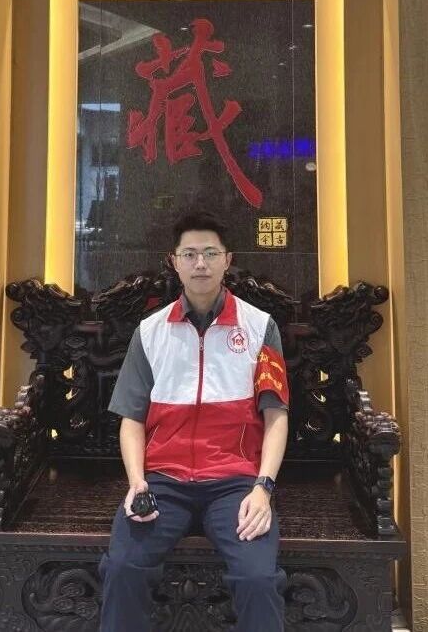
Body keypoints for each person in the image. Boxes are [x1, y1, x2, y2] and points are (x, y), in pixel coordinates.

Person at [99, 210, 289, 631]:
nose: (200, 263)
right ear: (174, 262)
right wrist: (137, 483)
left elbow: (276, 415)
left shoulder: (260, 327)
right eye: (189, 254)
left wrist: (263, 488)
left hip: (235, 483)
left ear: (228, 260)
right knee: (123, 567)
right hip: (163, 482)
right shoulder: (151, 331)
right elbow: (131, 418)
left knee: (257, 578)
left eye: (210, 253)